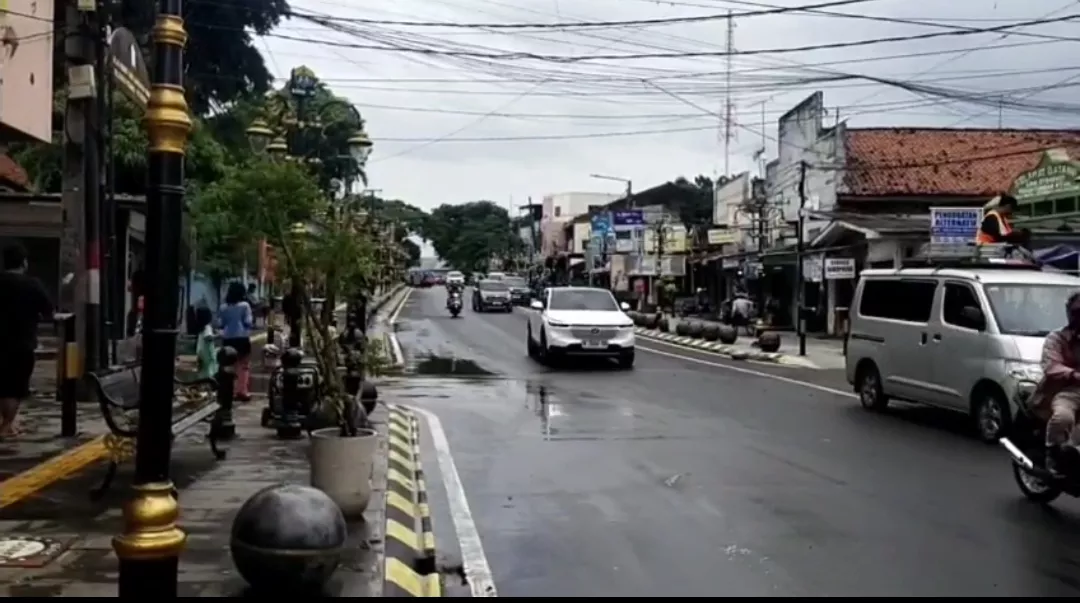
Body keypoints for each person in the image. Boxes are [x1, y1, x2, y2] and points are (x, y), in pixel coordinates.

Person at [0, 244, 54, 438]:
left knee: (3, 384)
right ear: (24, 263)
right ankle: (7, 424)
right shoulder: (32, 285)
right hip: (22, 342)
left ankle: (8, 422)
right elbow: (48, 310)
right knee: (14, 386)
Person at [1032, 291, 1080, 474]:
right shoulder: (1057, 338)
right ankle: (1053, 455)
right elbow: (1051, 367)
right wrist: (1073, 374)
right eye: (1077, 312)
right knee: (1063, 417)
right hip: (1066, 391)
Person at [217, 282, 254, 402]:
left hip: (228, 339)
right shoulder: (245, 306)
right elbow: (248, 321)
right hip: (242, 338)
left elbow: (220, 324)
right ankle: (242, 391)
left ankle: (230, 391)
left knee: (229, 366)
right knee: (243, 365)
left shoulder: (223, 307)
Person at [194, 306, 218, 381]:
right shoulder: (207, 327)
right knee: (209, 367)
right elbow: (208, 337)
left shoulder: (200, 327)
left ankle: (202, 382)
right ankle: (208, 383)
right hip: (207, 351)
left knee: (202, 367)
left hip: (201, 350)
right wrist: (219, 335)